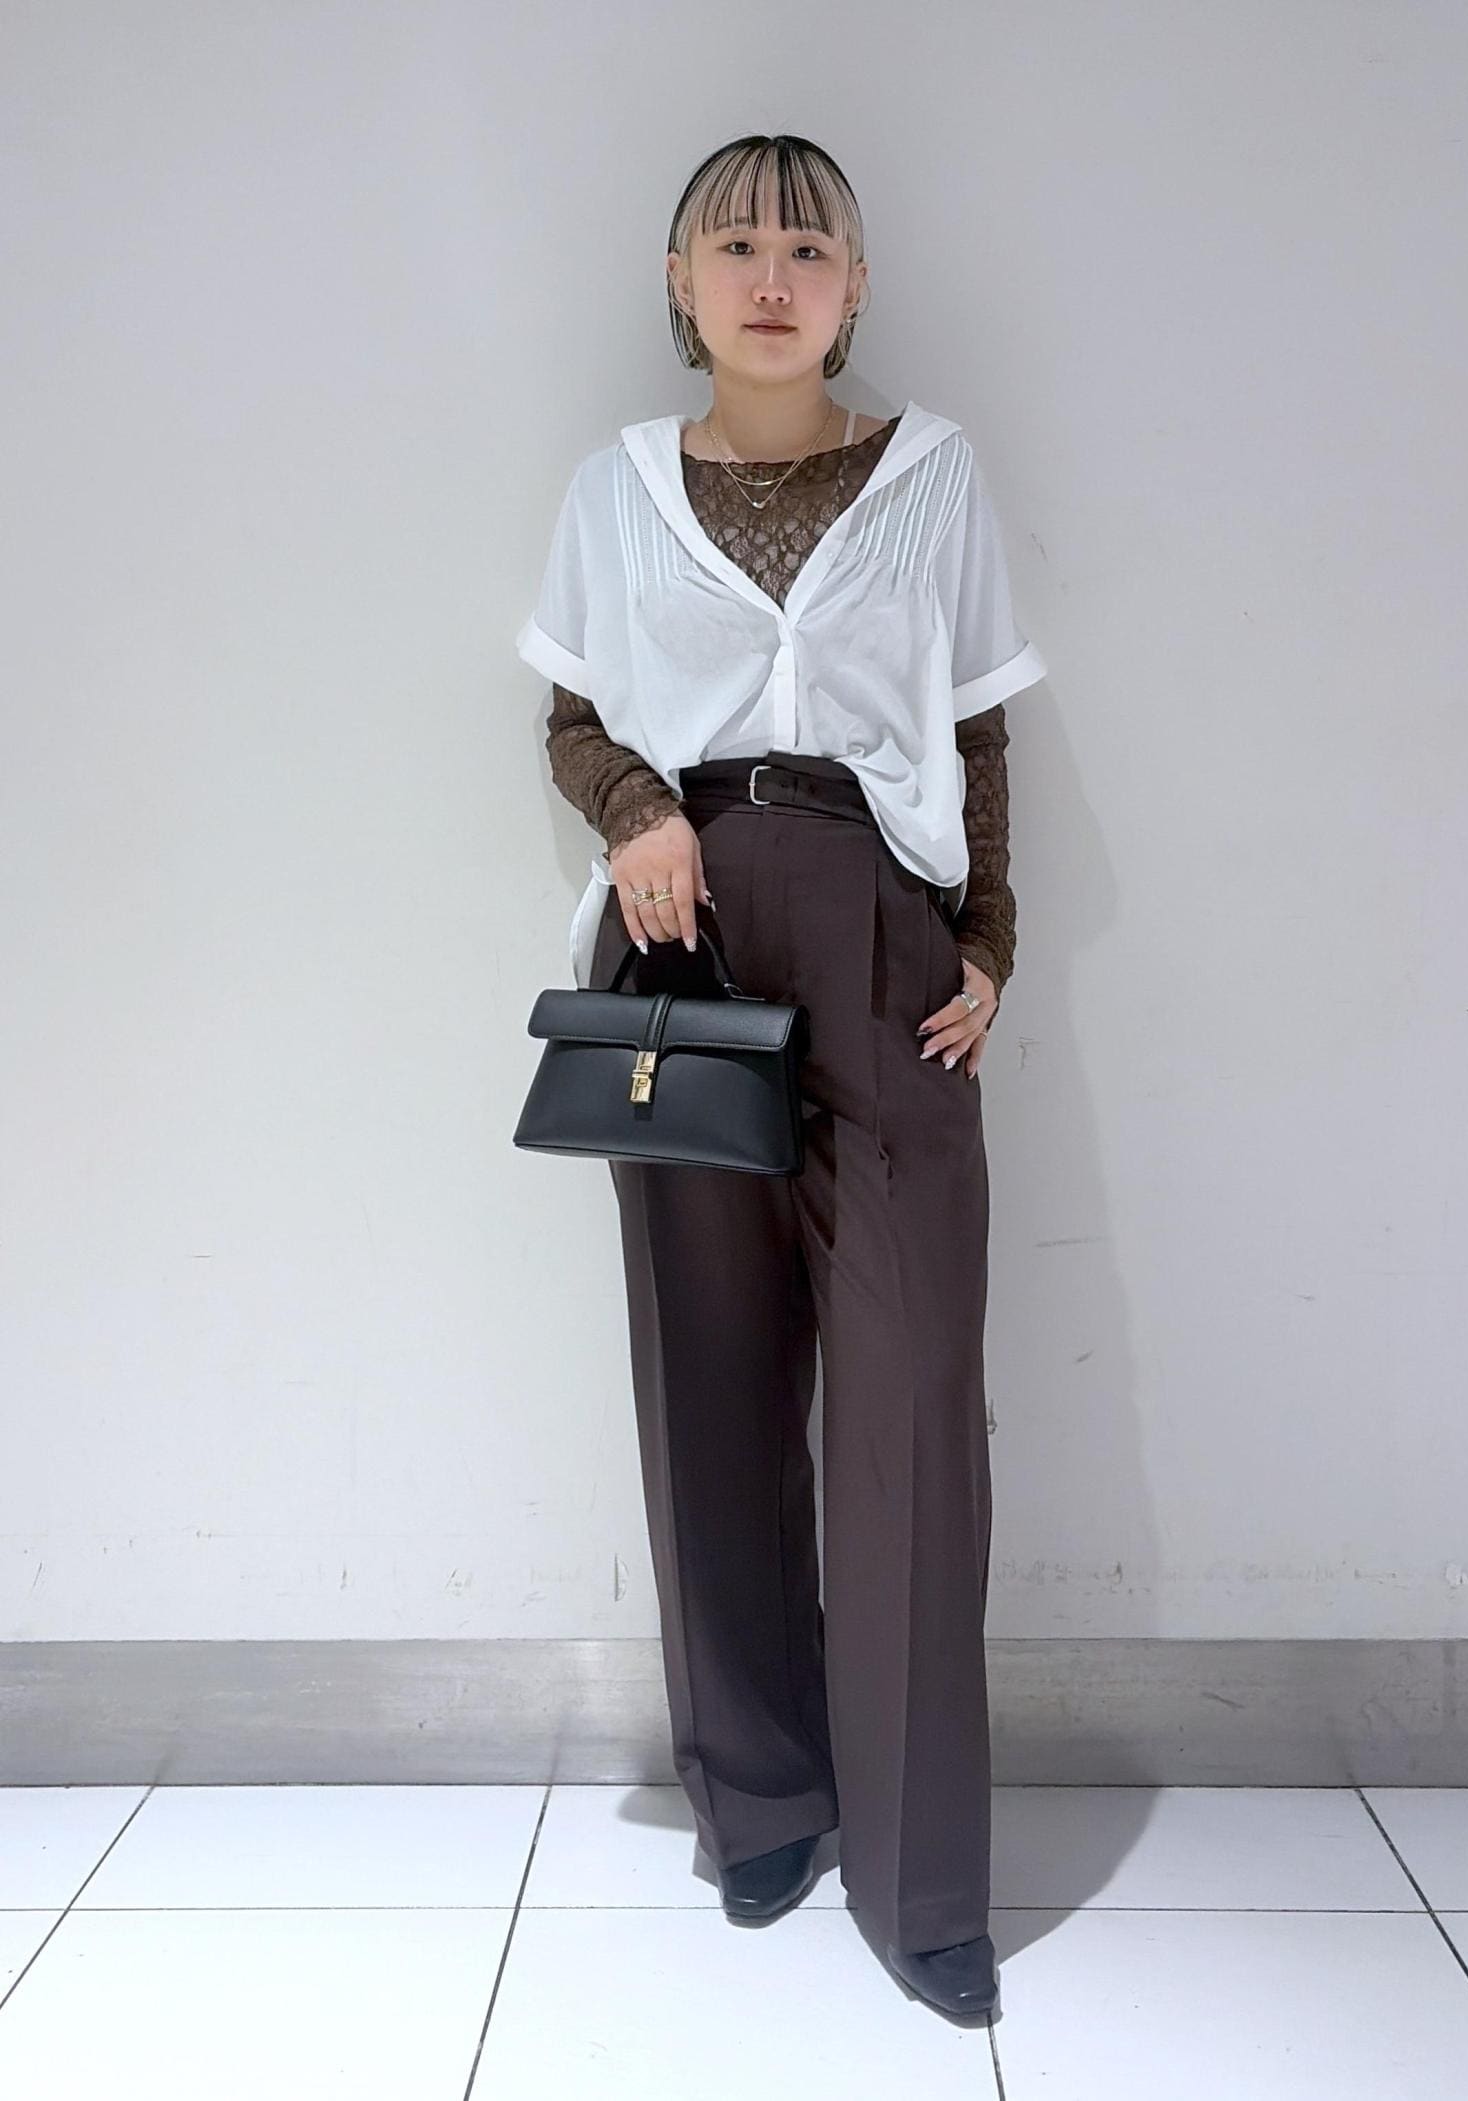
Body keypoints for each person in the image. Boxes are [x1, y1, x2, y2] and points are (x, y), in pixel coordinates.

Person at [517, 133, 1047, 2019]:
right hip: (679, 950)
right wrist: (639, 811)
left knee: (912, 1402)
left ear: (855, 286)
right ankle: (756, 1799)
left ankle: (924, 1880)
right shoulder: (615, 489)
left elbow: (975, 721)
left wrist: (992, 937)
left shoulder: (932, 473)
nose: (770, 274)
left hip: (885, 938)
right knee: (713, 1377)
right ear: (679, 281)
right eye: (733, 243)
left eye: (807, 246)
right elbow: (571, 716)